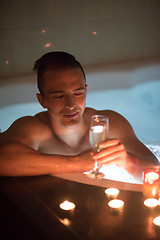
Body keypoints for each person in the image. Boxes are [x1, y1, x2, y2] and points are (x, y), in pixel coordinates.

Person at [0, 51, 158, 180]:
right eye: (59, 96)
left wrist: (128, 161)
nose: (71, 104)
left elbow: (154, 168)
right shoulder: (35, 129)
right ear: (42, 100)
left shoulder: (110, 124)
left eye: (78, 93)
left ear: (86, 90)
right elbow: (3, 158)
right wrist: (77, 163)